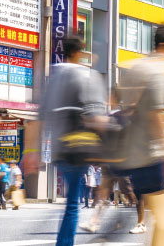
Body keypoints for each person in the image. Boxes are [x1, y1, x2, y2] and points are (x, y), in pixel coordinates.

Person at [23, 36, 109, 246]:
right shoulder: (89, 76)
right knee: (72, 203)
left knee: (71, 200)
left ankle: (64, 242)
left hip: (59, 149)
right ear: (79, 51)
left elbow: (39, 117)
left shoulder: (53, 76)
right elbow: (96, 117)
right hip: (79, 148)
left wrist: (31, 152)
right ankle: (64, 243)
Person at [106, 26, 164, 235]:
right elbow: (154, 116)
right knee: (161, 213)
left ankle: (109, 234)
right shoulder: (157, 72)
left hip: (130, 152)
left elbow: (115, 100)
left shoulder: (135, 68)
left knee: (143, 202)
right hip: (150, 153)